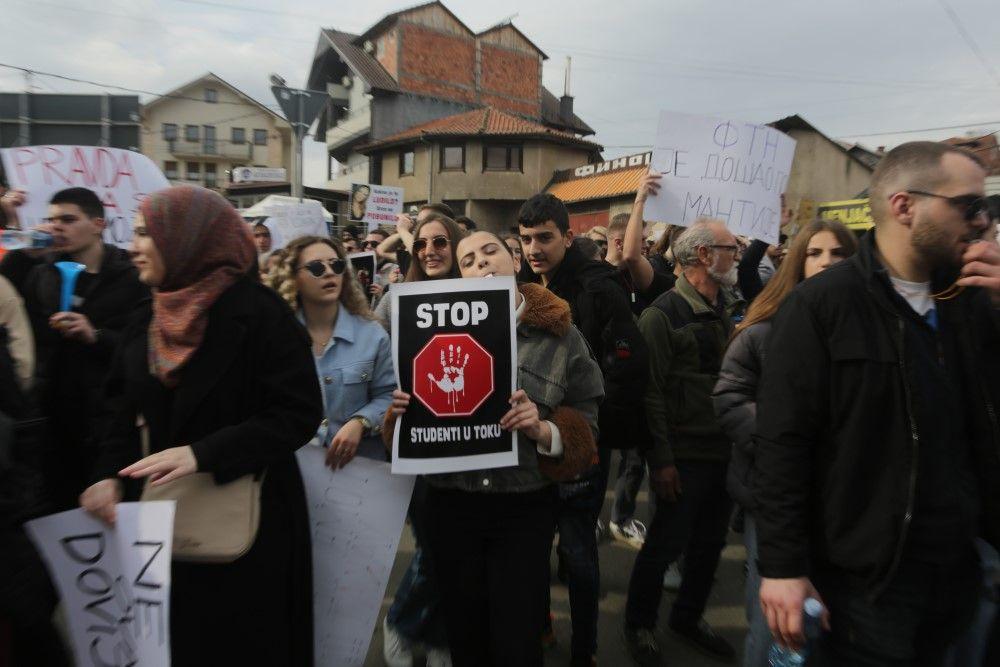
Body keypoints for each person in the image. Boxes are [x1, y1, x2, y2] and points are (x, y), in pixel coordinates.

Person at [755, 141, 1000, 665]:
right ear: (904, 206)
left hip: (960, 568)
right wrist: (782, 566)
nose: (982, 220)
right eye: (967, 205)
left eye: (986, 208)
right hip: (867, 582)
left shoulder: (976, 299)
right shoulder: (822, 305)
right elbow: (782, 442)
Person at [80, 185, 323, 665]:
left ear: (188, 238)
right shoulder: (145, 318)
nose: (133, 246)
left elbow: (296, 414)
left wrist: (203, 453)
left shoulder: (260, 314)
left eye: (147, 233)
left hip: (246, 532)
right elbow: (119, 411)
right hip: (156, 532)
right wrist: (106, 474)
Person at [387, 230, 604, 666]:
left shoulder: (561, 337)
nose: (481, 263)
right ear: (460, 274)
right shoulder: (422, 328)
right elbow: (398, 431)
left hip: (523, 508)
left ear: (515, 261)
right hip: (451, 504)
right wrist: (397, 417)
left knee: (517, 637)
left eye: (491, 252)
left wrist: (544, 430)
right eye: (467, 260)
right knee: (464, 633)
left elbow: (589, 422)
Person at [711, 219, 857, 667]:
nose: (827, 263)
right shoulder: (762, 331)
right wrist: (789, 441)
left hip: (847, 501)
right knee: (776, 621)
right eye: (815, 253)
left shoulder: (872, 331)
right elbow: (730, 398)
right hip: (773, 494)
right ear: (797, 262)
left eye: (838, 254)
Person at [519, 192, 641, 666]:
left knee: (579, 554)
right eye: (526, 238)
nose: (534, 248)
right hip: (532, 448)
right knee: (532, 553)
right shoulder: (521, 290)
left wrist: (585, 430)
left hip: (581, 450)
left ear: (568, 237)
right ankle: (542, 628)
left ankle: (586, 649)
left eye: (545, 238)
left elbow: (629, 366)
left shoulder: (598, 287)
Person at [622, 219, 744, 665]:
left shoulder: (730, 308)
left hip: (723, 451)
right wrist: (661, 461)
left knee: (710, 545)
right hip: (682, 456)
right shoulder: (663, 315)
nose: (739, 254)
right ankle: (639, 625)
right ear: (705, 256)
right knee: (664, 547)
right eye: (732, 247)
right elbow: (649, 394)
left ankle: (687, 618)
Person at [16, 188, 148, 510]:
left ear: (98, 224)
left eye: (68, 219)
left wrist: (97, 336)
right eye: (51, 220)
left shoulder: (132, 277)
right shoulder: (41, 273)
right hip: (53, 419)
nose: (56, 227)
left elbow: (144, 344)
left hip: (108, 420)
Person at [378, 211, 464, 667]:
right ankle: (402, 622)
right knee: (433, 550)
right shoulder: (396, 302)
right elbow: (376, 362)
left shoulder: (483, 296)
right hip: (417, 442)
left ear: (455, 246)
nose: (430, 251)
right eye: (422, 244)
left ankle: (439, 641)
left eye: (441, 242)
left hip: (471, 443)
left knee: (457, 553)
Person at [271, 235, 394, 465]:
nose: (329, 272)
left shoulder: (372, 334)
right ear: (293, 277)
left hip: (359, 473)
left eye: (336, 265)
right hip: (294, 471)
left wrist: (361, 422)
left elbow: (389, 395)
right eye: (317, 267)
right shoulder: (275, 337)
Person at [377, 203, 457, 278]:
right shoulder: (413, 258)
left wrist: (403, 230)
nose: (428, 253)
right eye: (418, 223)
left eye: (426, 221)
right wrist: (402, 233)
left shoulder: (460, 252)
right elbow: (382, 250)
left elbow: (415, 251)